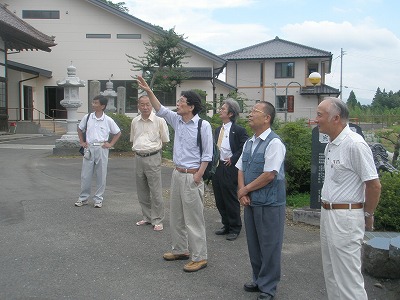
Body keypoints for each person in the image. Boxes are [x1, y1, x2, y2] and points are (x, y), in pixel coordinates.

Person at [137, 76, 212, 273]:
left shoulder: (202, 126)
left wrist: (199, 175)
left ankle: (200, 256)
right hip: (177, 174)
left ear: (192, 107)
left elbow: (207, 154)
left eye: (181, 102)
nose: (178, 104)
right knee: (177, 216)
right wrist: (148, 90)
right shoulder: (177, 121)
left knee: (194, 218)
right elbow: (160, 108)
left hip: (192, 175)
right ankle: (180, 249)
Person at [316, 97, 381, 300]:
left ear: (336, 118)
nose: (316, 119)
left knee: (348, 281)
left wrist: (368, 214)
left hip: (345, 216)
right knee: (332, 275)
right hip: (328, 214)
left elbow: (373, 185)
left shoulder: (355, 144)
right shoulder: (331, 145)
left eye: (320, 115)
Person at [236, 101, 286, 300]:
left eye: (255, 111)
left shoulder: (274, 143)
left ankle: (268, 287)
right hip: (251, 201)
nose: (250, 114)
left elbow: (269, 175)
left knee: (270, 246)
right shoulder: (249, 142)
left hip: (270, 204)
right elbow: (240, 168)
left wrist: (245, 190)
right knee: (254, 244)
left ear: (267, 118)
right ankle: (257, 279)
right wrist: (243, 191)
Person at [130, 95, 170, 231]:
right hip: (138, 157)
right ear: (138, 106)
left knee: (155, 190)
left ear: (151, 106)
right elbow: (133, 138)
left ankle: (158, 219)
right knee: (142, 189)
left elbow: (164, 140)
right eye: (142, 104)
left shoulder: (159, 121)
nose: (145, 107)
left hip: (153, 157)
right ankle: (147, 217)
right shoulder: (135, 121)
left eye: (147, 104)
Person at [75, 95, 121, 208]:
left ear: (102, 106)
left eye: (96, 103)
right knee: (85, 175)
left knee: (101, 174)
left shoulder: (108, 120)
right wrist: (82, 142)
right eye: (93, 102)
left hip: (102, 148)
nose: (93, 105)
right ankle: (83, 198)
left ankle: (98, 199)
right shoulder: (88, 117)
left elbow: (117, 132)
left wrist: (110, 144)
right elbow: (80, 129)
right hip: (89, 148)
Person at [212, 98, 248, 241]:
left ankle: (235, 227)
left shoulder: (238, 130)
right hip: (218, 166)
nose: (220, 110)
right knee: (219, 197)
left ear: (231, 114)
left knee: (230, 198)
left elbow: (244, 146)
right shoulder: (217, 129)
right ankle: (226, 224)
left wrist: (233, 159)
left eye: (223, 109)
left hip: (230, 167)